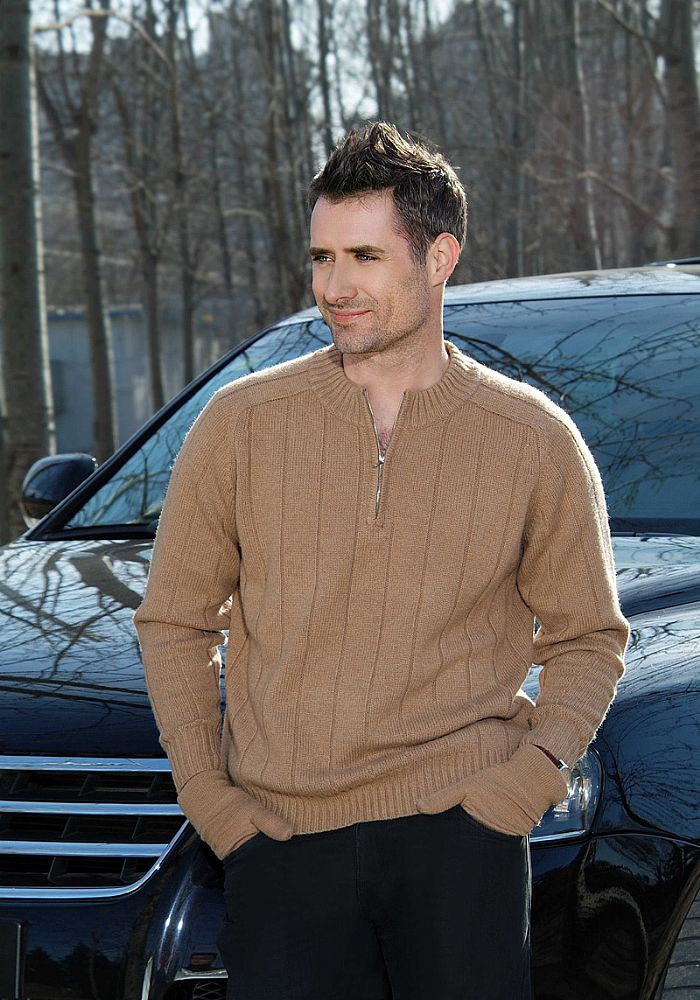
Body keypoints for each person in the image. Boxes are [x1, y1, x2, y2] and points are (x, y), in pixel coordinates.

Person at [133, 122, 629, 1000]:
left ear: (439, 259)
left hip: (461, 842)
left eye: (364, 255)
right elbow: (174, 621)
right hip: (279, 843)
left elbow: (590, 637)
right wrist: (211, 801)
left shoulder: (532, 439)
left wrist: (521, 790)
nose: (336, 287)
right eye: (322, 258)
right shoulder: (241, 424)